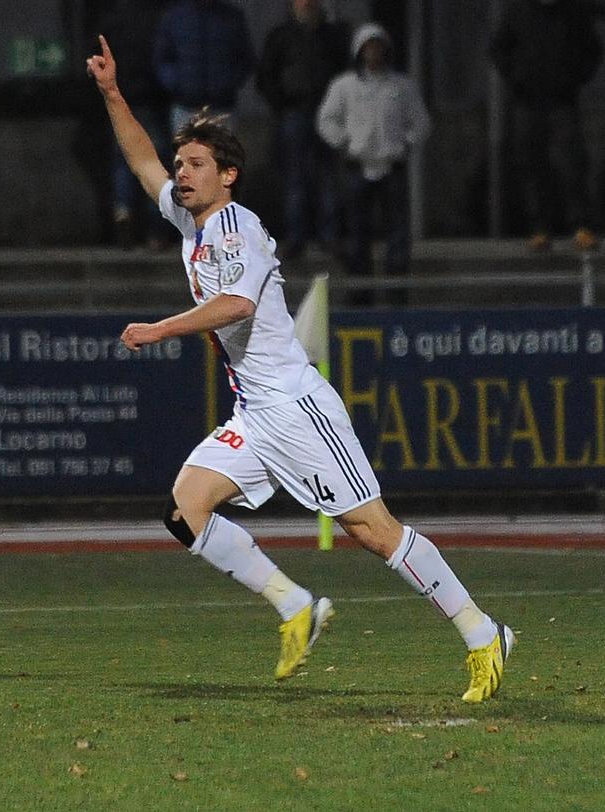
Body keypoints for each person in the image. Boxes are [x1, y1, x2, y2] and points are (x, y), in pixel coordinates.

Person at [87, 35, 514, 702]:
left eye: (195, 163)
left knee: (375, 533)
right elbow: (141, 161)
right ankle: (295, 606)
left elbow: (234, 306)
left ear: (228, 175)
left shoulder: (241, 231)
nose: (181, 173)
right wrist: (113, 92)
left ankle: (483, 632)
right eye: (182, 164)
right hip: (258, 416)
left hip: (297, 408)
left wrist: (162, 327)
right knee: (186, 508)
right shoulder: (192, 224)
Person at [316, 23, 430, 306]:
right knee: (357, 234)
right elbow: (326, 119)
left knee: (398, 234)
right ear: (359, 51)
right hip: (357, 167)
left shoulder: (402, 86)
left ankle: (396, 292)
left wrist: (405, 142)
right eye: (368, 47)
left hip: (391, 167)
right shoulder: (344, 86)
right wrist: (343, 141)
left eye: (378, 47)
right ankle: (360, 292)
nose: (374, 53)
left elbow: (422, 123)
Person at [490, 0, 602, 253]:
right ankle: (540, 228)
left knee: (572, 162)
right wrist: (517, 79)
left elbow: (593, 50)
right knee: (531, 163)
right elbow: (498, 49)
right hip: (527, 101)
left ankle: (581, 226)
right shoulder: (518, 12)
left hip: (562, 100)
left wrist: (573, 78)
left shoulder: (573, 13)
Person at [255, 0, 349, 258]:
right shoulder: (281, 36)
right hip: (294, 114)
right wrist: (282, 105)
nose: (307, 4)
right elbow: (265, 76)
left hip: (329, 115)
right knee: (294, 179)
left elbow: (345, 73)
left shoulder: (335, 35)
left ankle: (329, 237)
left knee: (328, 177)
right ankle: (295, 238)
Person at [99, 0, 172, 250]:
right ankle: (156, 228)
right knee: (154, 162)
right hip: (154, 99)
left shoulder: (114, 16)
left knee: (123, 161)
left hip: (123, 95)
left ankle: (123, 211)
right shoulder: (162, 15)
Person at [153, 0, 254, 135]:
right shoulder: (175, 16)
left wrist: (228, 84)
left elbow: (245, 58)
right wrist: (177, 84)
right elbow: (162, 58)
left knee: (222, 154)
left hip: (222, 108)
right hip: (185, 107)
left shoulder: (231, 17)